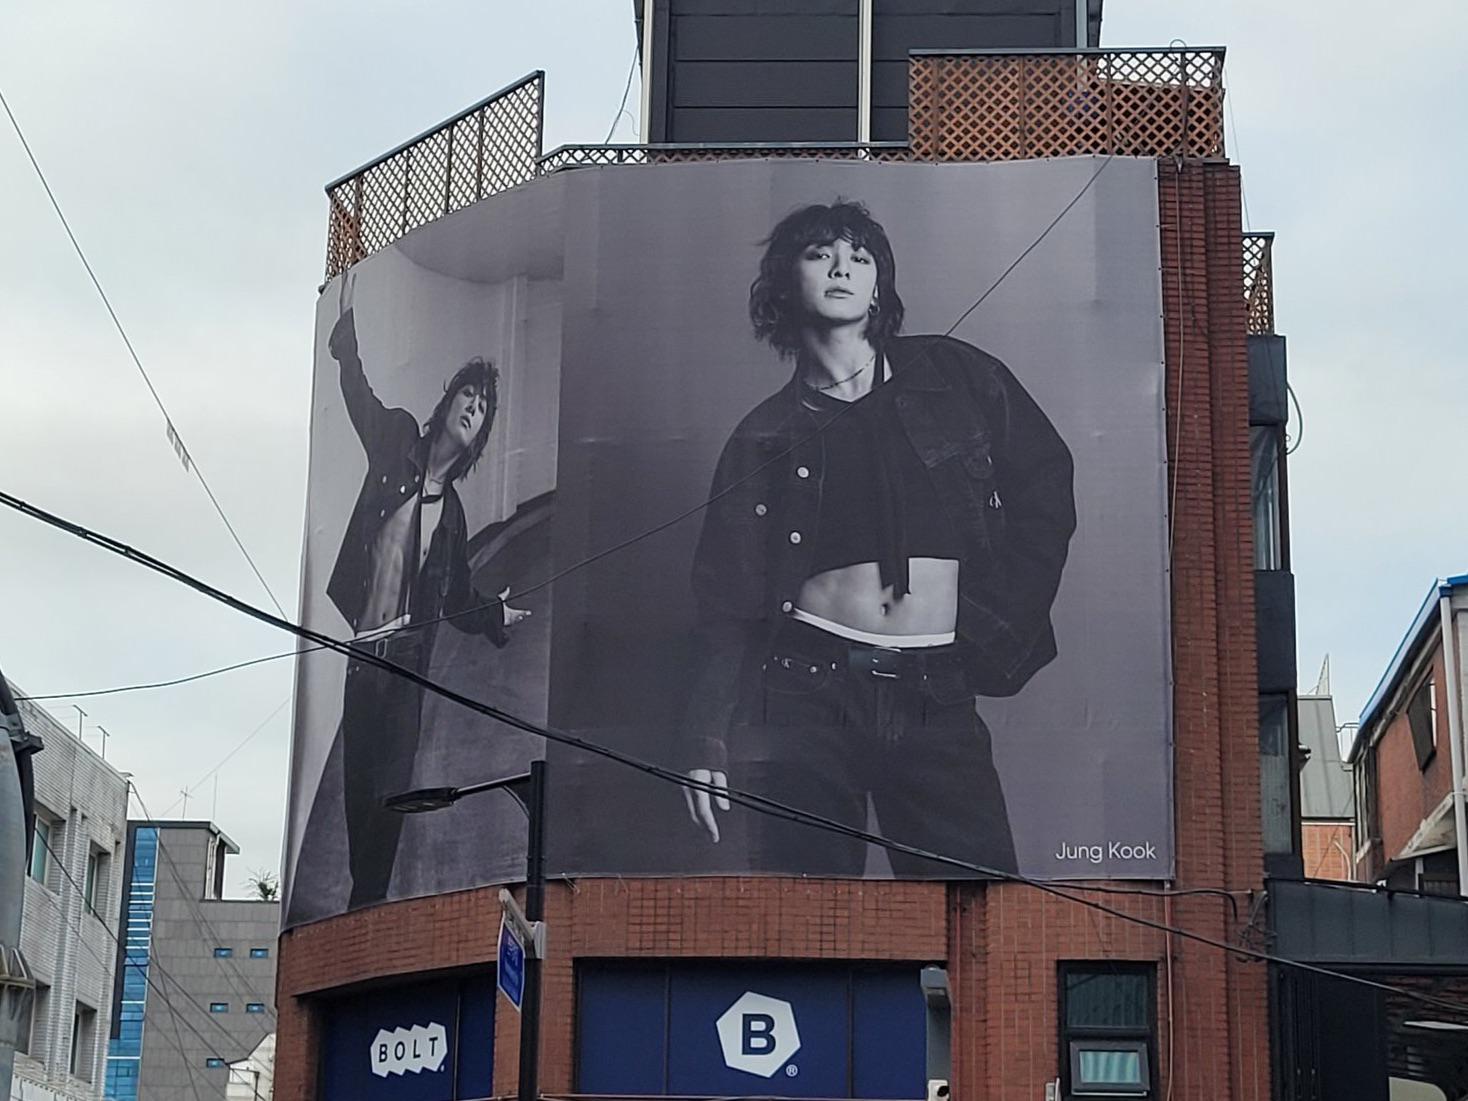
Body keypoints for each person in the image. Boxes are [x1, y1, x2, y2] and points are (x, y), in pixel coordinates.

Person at [681, 200, 1075, 875]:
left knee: (977, 908)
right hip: (804, 695)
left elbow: (1046, 482)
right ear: (785, 282)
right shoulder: (761, 436)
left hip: (935, 691)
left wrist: (995, 622)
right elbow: (726, 601)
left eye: (859, 256)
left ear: (878, 285)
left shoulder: (956, 378)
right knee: (808, 924)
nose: (841, 266)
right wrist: (705, 739)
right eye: (819, 253)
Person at [326, 273, 530, 908]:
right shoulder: (396, 438)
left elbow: (456, 599)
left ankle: (369, 905)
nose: (473, 407)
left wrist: (496, 614)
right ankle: (362, 904)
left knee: (390, 790)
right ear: (446, 404)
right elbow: (357, 395)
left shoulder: (455, 516)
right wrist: (346, 338)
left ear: (480, 434)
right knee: (360, 787)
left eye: (483, 409)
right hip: (365, 653)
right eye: (467, 395)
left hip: (408, 671)